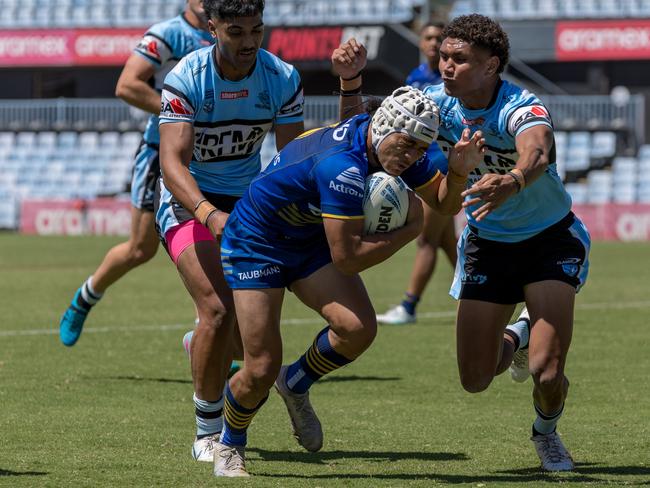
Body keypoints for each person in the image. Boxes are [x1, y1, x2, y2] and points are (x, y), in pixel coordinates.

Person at [212, 86, 486, 477]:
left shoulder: (397, 145)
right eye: (407, 146)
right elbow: (347, 258)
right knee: (259, 368)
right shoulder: (341, 165)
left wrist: (457, 172)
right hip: (258, 242)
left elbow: (444, 202)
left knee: (357, 329)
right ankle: (229, 444)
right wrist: (410, 229)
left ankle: (295, 381)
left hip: (307, 238)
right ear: (386, 125)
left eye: (420, 150)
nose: (411, 157)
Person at [424, 14, 590, 471]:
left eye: (460, 59)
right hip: (487, 244)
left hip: (549, 239)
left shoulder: (520, 103)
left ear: (492, 65)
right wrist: (350, 85)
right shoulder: (434, 107)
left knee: (547, 371)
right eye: (443, 57)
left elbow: (537, 149)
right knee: (475, 379)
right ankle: (517, 333)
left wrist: (514, 180)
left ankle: (546, 433)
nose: (446, 66)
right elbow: (377, 133)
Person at [155, 0, 310, 464]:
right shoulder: (187, 77)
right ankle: (207, 431)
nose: (248, 42)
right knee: (218, 310)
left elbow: (292, 160)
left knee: (254, 345)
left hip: (248, 205)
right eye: (236, 31)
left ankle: (206, 345)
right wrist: (208, 213)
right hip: (188, 203)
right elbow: (172, 164)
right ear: (213, 27)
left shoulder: (282, 77)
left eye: (257, 30)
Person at [59, 0, 214, 347]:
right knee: (140, 249)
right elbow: (127, 85)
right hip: (161, 151)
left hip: (209, 155)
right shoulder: (169, 34)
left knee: (206, 239)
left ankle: (211, 333)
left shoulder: (228, 35)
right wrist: (181, 109)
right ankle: (86, 297)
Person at [377, 21, 458, 325]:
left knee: (426, 241)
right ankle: (490, 295)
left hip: (441, 171)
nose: (434, 43)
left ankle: (408, 307)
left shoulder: (452, 81)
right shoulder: (415, 77)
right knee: (449, 243)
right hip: (422, 167)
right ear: (421, 43)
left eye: (440, 38)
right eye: (429, 37)